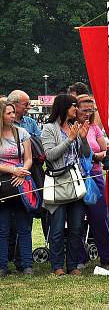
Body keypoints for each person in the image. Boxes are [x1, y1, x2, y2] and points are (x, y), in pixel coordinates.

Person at [41, 94, 91, 275]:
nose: (76, 109)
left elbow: (85, 154)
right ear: (63, 107)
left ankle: (72, 265)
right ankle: (57, 266)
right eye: (73, 106)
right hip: (58, 183)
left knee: (77, 227)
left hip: (75, 182)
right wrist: (69, 139)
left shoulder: (73, 127)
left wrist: (83, 139)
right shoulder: (48, 129)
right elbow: (50, 155)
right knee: (57, 228)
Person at [75, 96, 109, 269]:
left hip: (95, 176)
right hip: (75, 177)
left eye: (92, 111)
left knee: (99, 218)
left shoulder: (94, 128)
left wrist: (96, 156)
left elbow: (105, 151)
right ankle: (80, 257)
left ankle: (106, 256)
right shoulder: (71, 128)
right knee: (76, 219)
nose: (88, 114)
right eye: (85, 110)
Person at [0, 102, 33, 275]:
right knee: (3, 228)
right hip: (3, 184)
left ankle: (27, 264)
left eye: (13, 113)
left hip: (21, 183)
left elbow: (29, 158)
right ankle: (2, 265)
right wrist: (13, 170)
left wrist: (22, 173)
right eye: (9, 113)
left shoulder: (22, 133)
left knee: (24, 226)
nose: (13, 116)